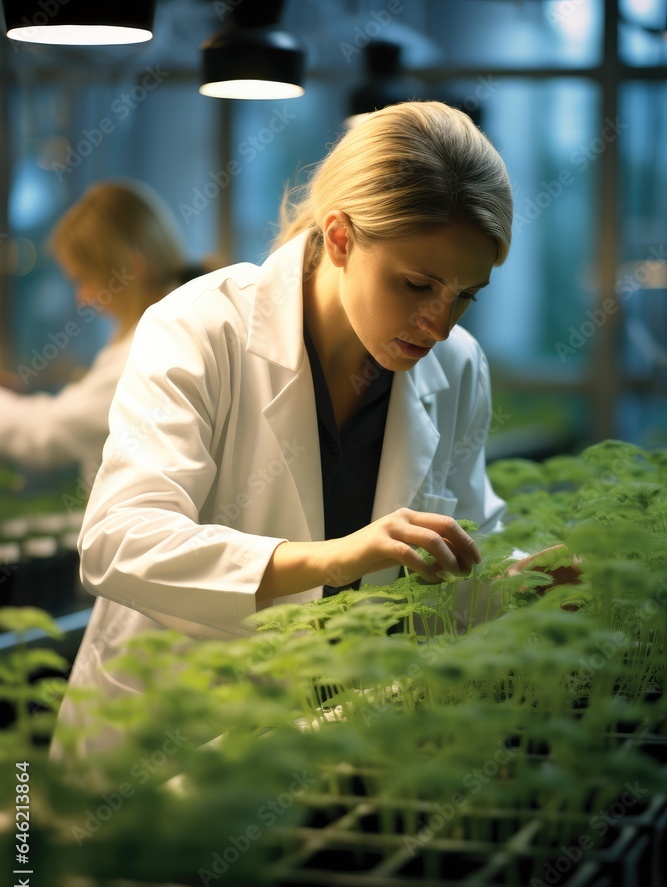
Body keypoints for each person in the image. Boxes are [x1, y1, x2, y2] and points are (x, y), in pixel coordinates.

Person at [52, 100, 521, 757]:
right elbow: (118, 541)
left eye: (466, 294)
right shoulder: (200, 327)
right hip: (165, 744)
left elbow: (464, 554)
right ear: (339, 239)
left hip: (328, 744)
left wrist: (526, 579)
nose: (439, 324)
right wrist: (334, 557)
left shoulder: (456, 366)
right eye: (417, 285)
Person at [0, 179, 189, 493]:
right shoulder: (168, 323)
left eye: (84, 279)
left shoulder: (150, 349)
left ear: (132, 267)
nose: (82, 298)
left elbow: (47, 433)